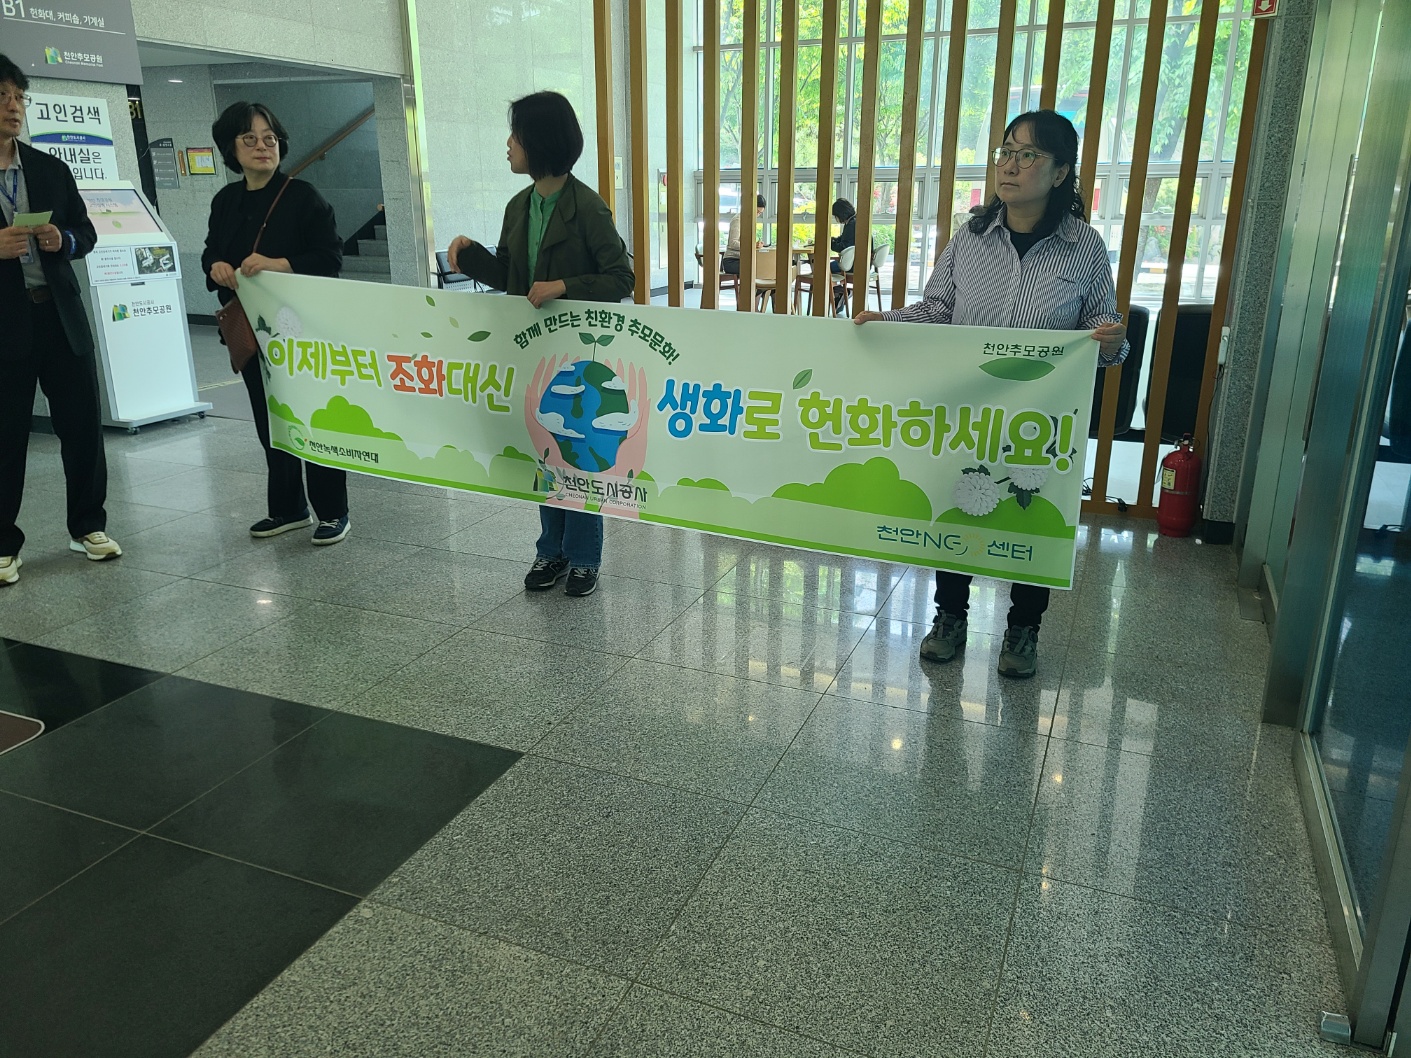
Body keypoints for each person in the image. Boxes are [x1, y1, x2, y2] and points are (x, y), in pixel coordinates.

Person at [855, 110, 1128, 679]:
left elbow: (1103, 333)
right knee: (959, 505)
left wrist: (1110, 340)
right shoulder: (971, 238)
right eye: (1006, 151)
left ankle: (1024, 628)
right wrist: (888, 322)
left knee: (1033, 516)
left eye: (1028, 155)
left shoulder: (1084, 247)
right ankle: (950, 617)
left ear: (1060, 173)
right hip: (969, 411)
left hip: (1039, 418)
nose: (1010, 165)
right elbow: (938, 309)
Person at [447, 90, 634, 598]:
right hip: (535, 354)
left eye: (516, 135)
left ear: (540, 140)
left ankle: (584, 556)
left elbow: (621, 278)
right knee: (545, 453)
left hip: (580, 358)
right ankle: (551, 549)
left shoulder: (588, 207)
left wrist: (565, 286)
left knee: (580, 456)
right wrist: (471, 255)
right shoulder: (518, 206)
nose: (508, 145)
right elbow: (514, 277)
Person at [203, 101, 349, 545]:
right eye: (249, 138)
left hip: (303, 330)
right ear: (231, 148)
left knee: (314, 417)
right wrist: (216, 266)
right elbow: (211, 251)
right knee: (270, 419)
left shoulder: (303, 197)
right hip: (252, 330)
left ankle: (333, 511)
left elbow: (329, 258)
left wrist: (278, 263)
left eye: (270, 138)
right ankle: (288, 508)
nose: (263, 146)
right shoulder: (225, 201)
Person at [0, 53, 120, 586]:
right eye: (2, 97)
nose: (13, 107)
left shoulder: (49, 169)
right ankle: (3, 543)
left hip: (60, 317)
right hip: (5, 324)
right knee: (5, 435)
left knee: (82, 426)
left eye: (19, 98)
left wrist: (63, 239)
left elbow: (86, 232)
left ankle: (88, 525)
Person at [722, 193, 766, 275]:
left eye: (760, 213)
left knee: (764, 265)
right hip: (732, 261)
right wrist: (752, 245)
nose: (757, 215)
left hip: (742, 259)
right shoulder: (738, 220)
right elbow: (733, 243)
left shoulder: (749, 220)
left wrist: (756, 244)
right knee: (758, 268)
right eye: (757, 211)